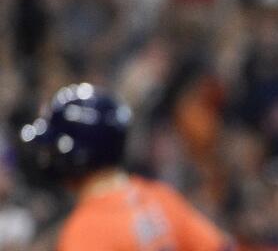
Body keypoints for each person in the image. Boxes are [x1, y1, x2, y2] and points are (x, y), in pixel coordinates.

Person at [18, 83, 233, 251]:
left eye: (53, 150)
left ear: (78, 156)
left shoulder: (86, 229)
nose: (48, 157)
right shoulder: (159, 198)